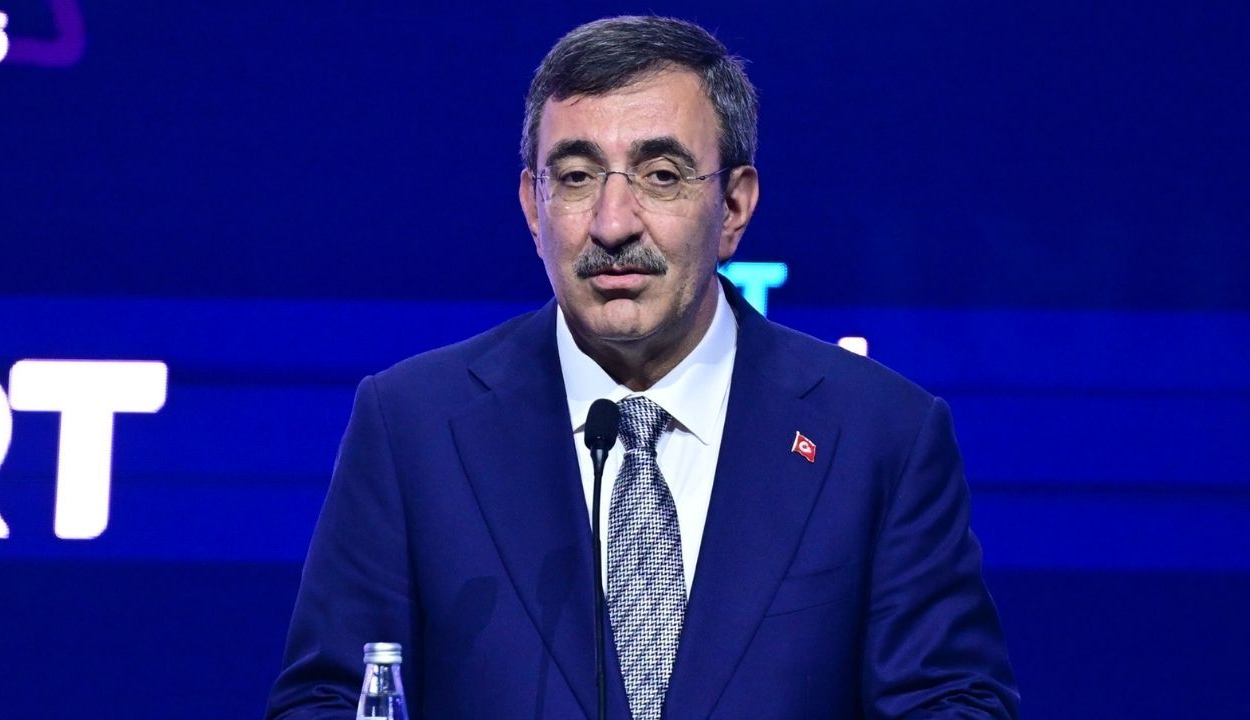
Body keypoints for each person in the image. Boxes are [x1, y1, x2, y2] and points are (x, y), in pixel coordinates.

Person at [267, 15, 1019, 720]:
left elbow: (952, 703)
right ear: (532, 207)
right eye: (576, 176)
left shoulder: (880, 437)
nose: (613, 223)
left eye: (661, 175)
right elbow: (329, 700)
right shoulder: (413, 428)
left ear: (733, 207)